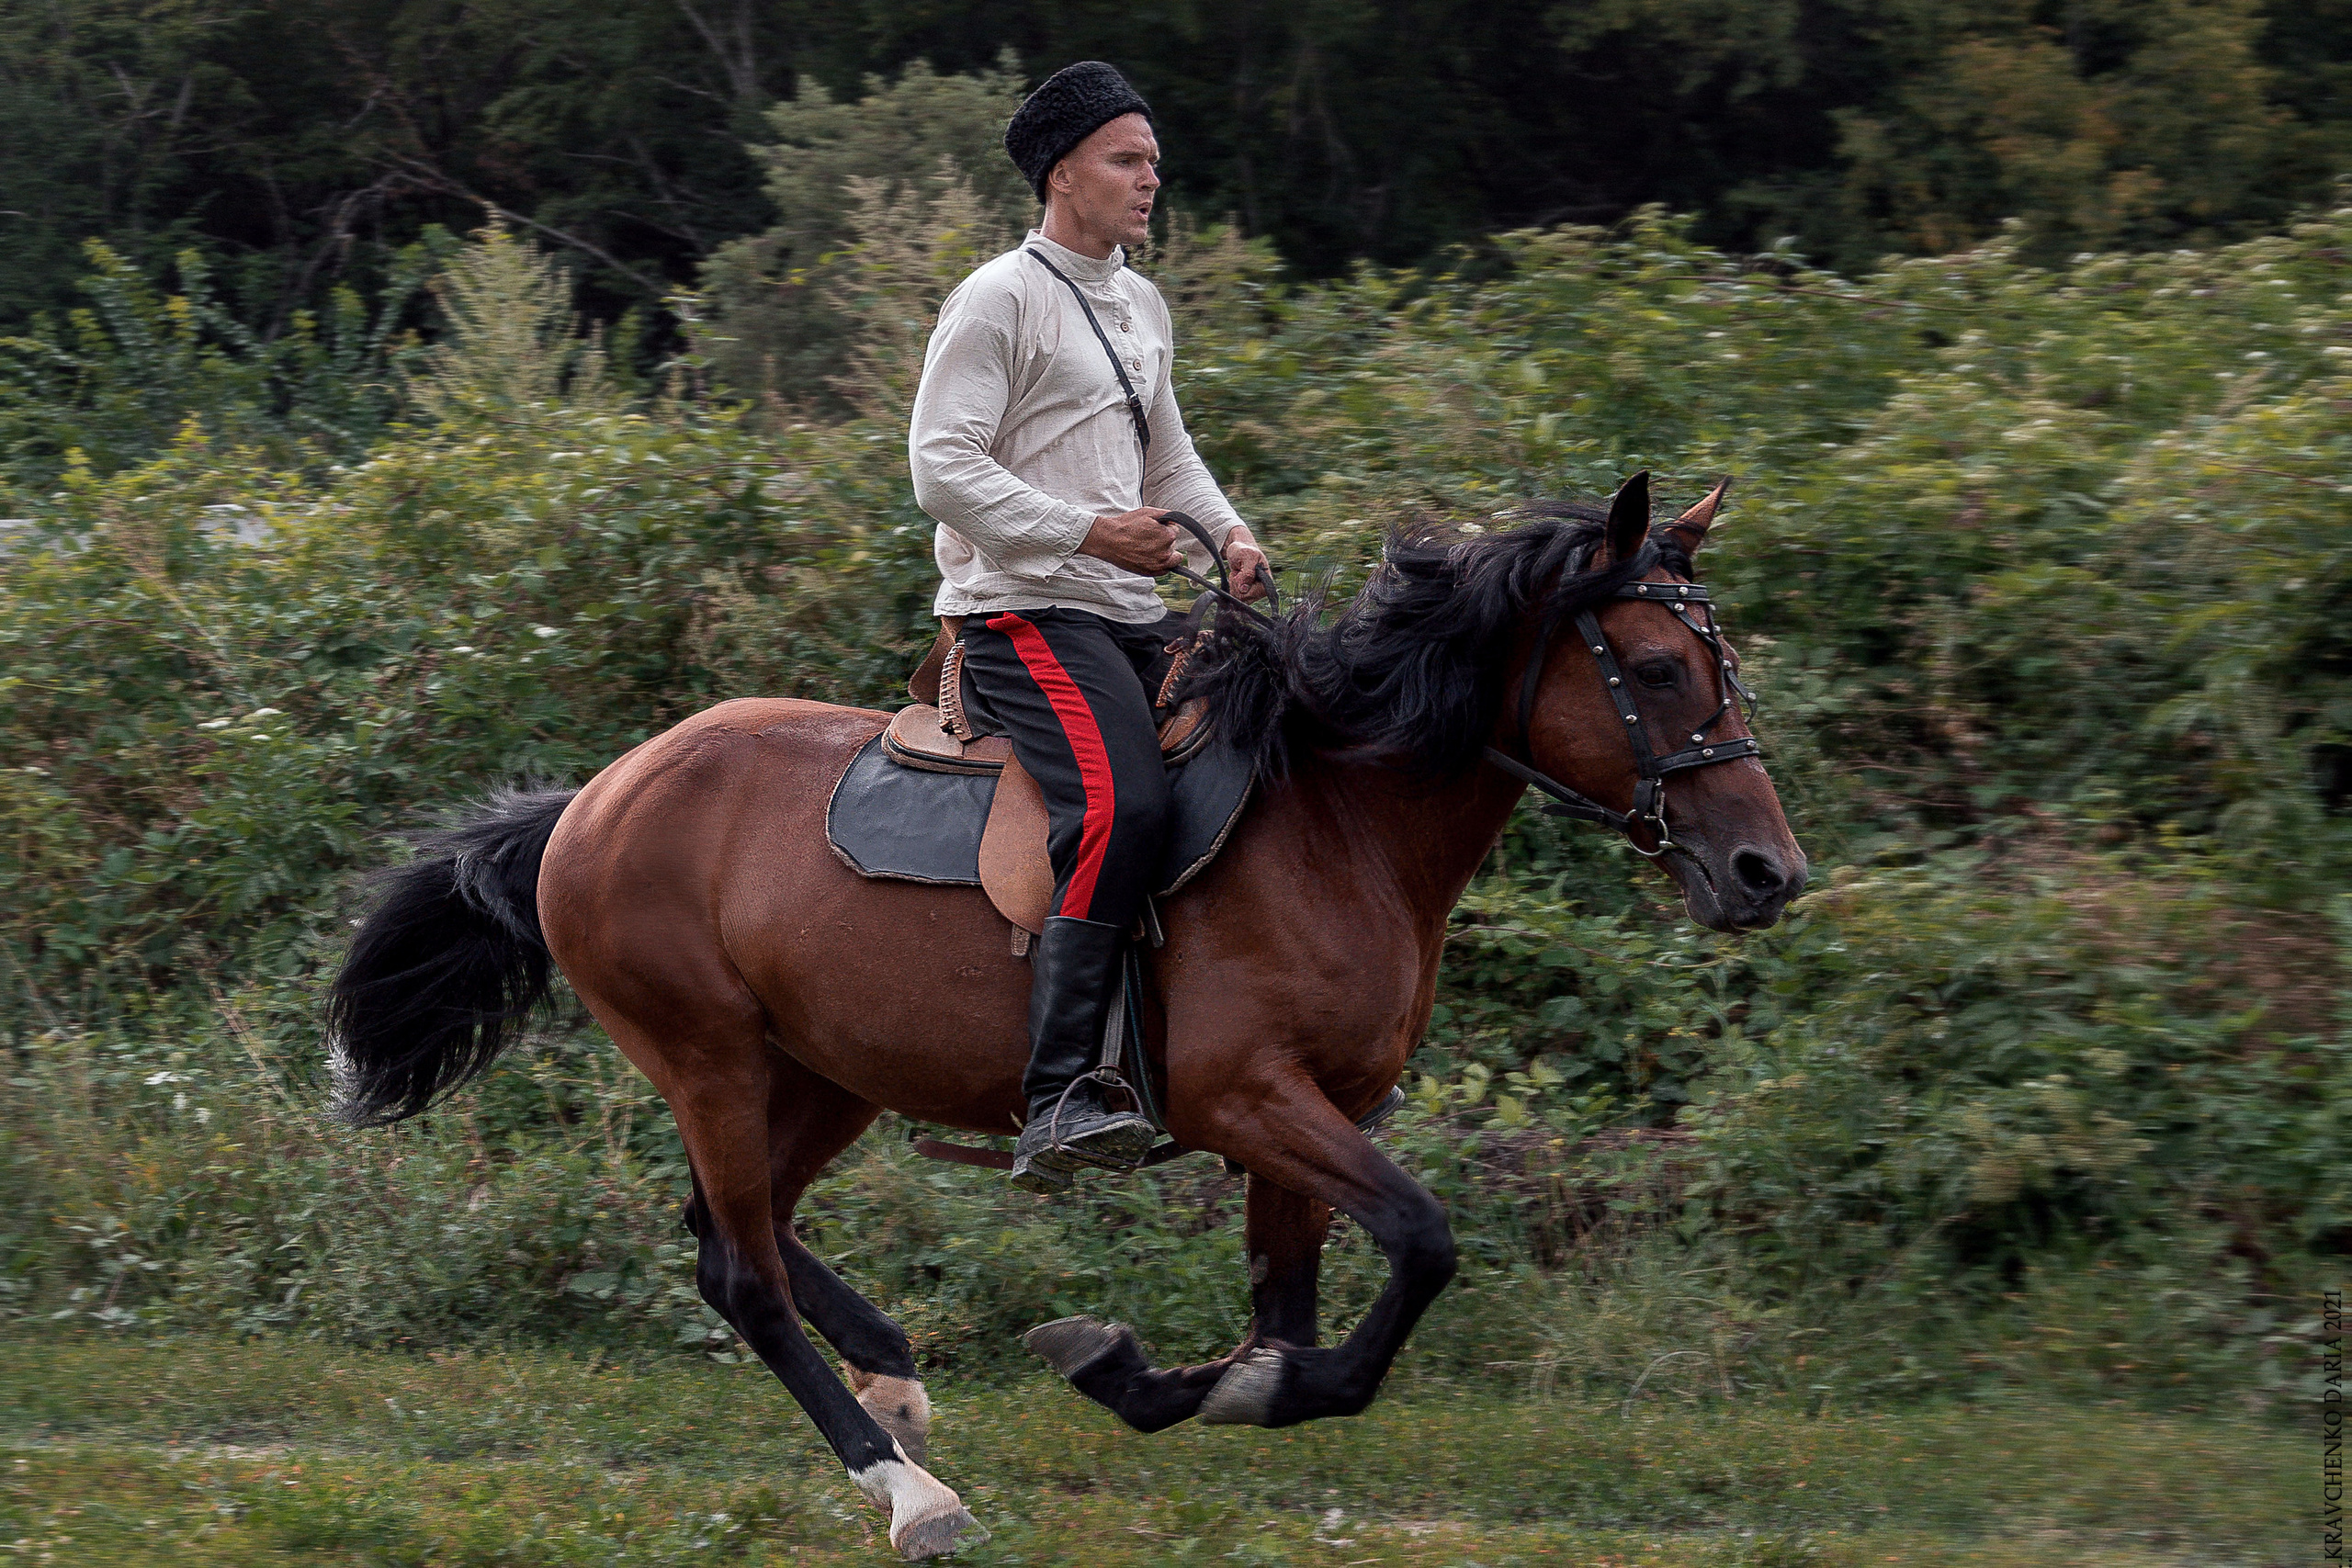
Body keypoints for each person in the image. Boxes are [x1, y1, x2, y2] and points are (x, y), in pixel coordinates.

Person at [908, 61, 1269, 1193]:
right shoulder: (997, 297)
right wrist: (1086, 533)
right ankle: (1062, 1091)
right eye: (1127, 160)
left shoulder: (1139, 302)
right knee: (1122, 800)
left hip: (1129, 611)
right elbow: (940, 467)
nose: (1150, 179)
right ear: (1062, 174)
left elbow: (1167, 459)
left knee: (1274, 749)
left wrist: (1230, 532)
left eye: (1153, 160)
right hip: (1020, 613)